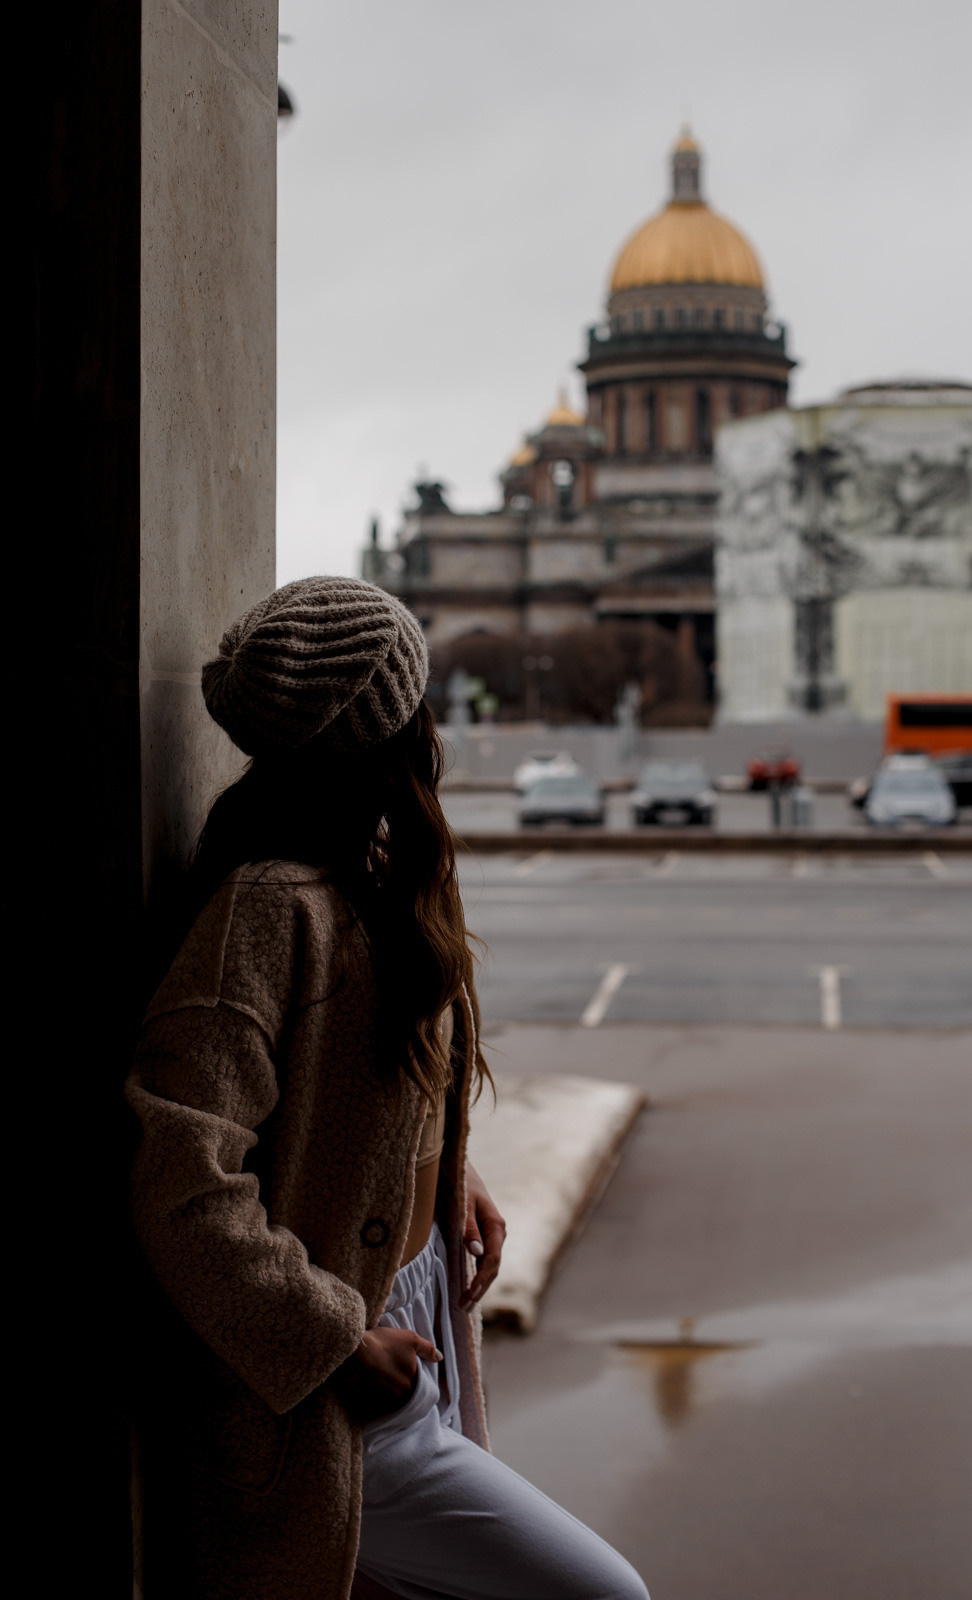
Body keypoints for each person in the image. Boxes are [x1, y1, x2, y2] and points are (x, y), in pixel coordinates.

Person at [126, 577, 649, 1600]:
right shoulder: (268, 906)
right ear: (385, 729)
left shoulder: (358, 871)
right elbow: (179, 1179)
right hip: (335, 1380)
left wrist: (446, 1176)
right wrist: (334, 1344)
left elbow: (359, 1100)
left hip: (406, 1323)